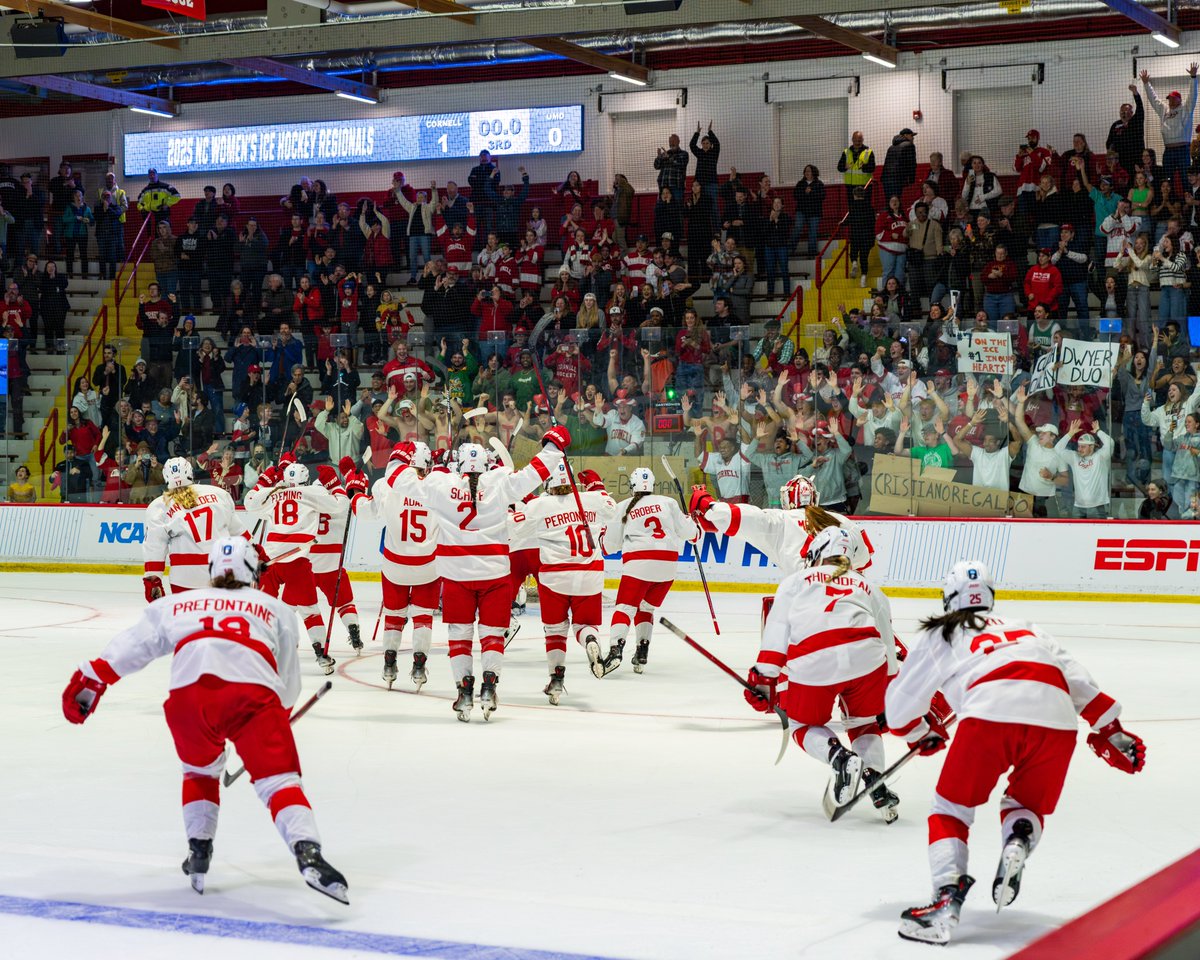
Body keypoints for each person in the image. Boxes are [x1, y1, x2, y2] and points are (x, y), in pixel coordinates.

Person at [60, 536, 349, 904]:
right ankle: (308, 853)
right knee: (279, 782)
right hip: (251, 697)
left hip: (188, 699)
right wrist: (278, 720)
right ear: (254, 571)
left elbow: (136, 645)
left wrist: (94, 678)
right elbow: (288, 683)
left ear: (212, 569)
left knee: (199, 773)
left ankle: (199, 852)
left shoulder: (179, 603)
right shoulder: (275, 608)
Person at [886, 561, 1144, 945]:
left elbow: (899, 709)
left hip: (989, 714)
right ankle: (1018, 839)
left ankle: (944, 903)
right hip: (1056, 718)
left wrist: (919, 733)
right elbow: (1078, 679)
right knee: (1025, 803)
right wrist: (1111, 729)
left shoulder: (944, 631)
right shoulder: (1027, 627)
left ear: (947, 596)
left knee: (950, 810)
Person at [387, 432, 568, 721]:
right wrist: (554, 446)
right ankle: (489, 687)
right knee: (493, 636)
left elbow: (397, 479)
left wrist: (399, 454)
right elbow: (535, 473)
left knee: (460, 636)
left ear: (458, 464)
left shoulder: (440, 483)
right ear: (486, 465)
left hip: (456, 575)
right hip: (494, 574)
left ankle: (464, 691)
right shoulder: (500, 481)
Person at [747, 527, 898, 819]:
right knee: (866, 723)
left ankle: (839, 758)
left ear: (817, 553)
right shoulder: (870, 588)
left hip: (816, 657)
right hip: (868, 657)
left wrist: (764, 678)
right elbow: (888, 642)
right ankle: (876, 782)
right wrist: (891, 692)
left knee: (801, 724)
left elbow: (777, 630)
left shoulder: (796, 580)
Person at [520, 462, 616, 701]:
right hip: (590, 574)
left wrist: (518, 499)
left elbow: (515, 526)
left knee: (555, 631)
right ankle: (590, 640)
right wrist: (595, 486)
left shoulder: (539, 505)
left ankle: (556, 679)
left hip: (556, 577)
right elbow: (611, 508)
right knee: (584, 626)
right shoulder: (592, 499)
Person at [597, 467, 698, 677]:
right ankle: (642, 651)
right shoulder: (668, 502)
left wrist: (602, 539)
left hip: (639, 563)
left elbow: (609, 547)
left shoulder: (623, 506)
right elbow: (692, 535)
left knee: (624, 608)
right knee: (646, 608)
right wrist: (691, 522)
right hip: (668, 566)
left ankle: (616, 650)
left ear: (632, 486)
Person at [355, 441, 439, 688]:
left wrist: (354, 492)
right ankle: (419, 666)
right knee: (423, 618)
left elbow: (365, 512)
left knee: (393, 617)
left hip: (395, 566)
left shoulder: (384, 486)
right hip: (428, 567)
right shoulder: (436, 487)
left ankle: (389, 663)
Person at [244, 457, 340, 672]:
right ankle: (321, 655)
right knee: (310, 611)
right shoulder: (312, 493)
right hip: (296, 561)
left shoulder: (275, 492)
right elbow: (339, 507)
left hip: (269, 561)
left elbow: (249, 502)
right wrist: (335, 485)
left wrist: (266, 480)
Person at [141, 456, 241, 600]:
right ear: (190, 472)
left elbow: (154, 546)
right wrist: (258, 554)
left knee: (187, 621)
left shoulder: (159, 506)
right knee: (218, 620)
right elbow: (238, 531)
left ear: (166, 477)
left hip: (184, 577)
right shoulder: (218, 494)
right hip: (221, 572)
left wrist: (153, 580)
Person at [309, 463, 363, 654]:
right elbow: (351, 498)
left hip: (308, 563)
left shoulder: (306, 503)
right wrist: (350, 477)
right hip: (332, 563)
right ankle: (353, 628)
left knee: (302, 605)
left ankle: (283, 635)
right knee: (345, 603)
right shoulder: (340, 503)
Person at [1141, 64, 1199, 190]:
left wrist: (1193, 77)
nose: (1170, 101)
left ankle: (1188, 206)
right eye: (1169, 99)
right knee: (1167, 180)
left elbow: (1193, 95)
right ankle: (1169, 204)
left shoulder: (1186, 108)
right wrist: (1146, 83)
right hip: (1168, 151)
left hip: (1183, 149)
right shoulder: (1164, 109)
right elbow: (1153, 99)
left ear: (1179, 99)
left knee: (1185, 179)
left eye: (1173, 99)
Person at [838, 131, 876, 201]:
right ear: (852, 140)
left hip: (865, 185)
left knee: (865, 207)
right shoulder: (846, 152)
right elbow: (839, 168)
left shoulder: (868, 152)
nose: (857, 143)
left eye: (859, 141)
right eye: (855, 140)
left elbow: (872, 168)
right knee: (852, 207)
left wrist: (864, 167)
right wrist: (845, 167)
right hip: (850, 186)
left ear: (862, 140)